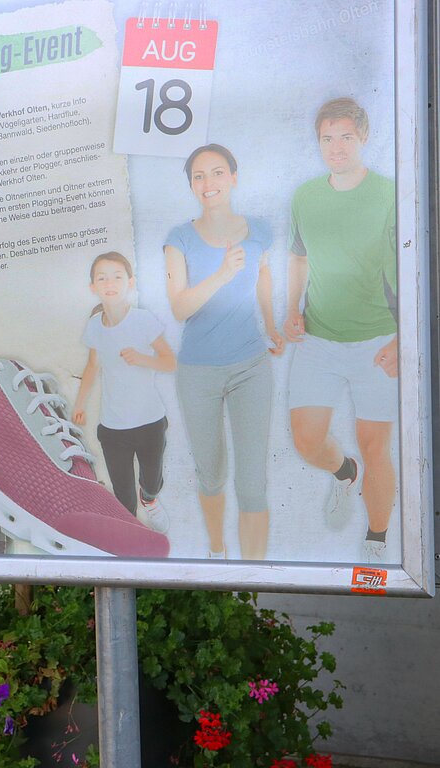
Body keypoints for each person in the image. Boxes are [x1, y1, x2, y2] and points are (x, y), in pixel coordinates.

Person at [283, 97, 397, 563]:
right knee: (306, 441)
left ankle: (375, 542)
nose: (336, 147)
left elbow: (414, 267)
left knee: (377, 446)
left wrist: (403, 339)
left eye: (345, 136)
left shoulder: (391, 193)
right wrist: (292, 309)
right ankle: (343, 471)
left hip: (378, 341)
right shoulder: (306, 195)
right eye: (327, 138)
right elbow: (298, 256)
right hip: (319, 338)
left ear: (363, 138)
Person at [164, 144, 284, 560]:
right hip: (198, 372)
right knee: (211, 474)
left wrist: (271, 325)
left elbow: (263, 274)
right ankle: (217, 553)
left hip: (251, 365)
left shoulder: (260, 229)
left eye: (217, 173)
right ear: (191, 185)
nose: (208, 183)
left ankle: (253, 576)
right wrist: (220, 273)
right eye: (199, 176)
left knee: (252, 482)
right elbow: (179, 307)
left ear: (233, 176)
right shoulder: (178, 238)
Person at [72, 252, 175, 533]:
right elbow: (93, 365)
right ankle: (132, 534)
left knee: (151, 481)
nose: (110, 282)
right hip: (113, 428)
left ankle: (150, 500)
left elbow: (170, 361)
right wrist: (80, 404)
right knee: (123, 497)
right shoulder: (94, 326)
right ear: (93, 287)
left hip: (150, 422)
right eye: (101, 277)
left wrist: (143, 359)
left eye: (117, 276)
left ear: (130, 282)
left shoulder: (143, 320)